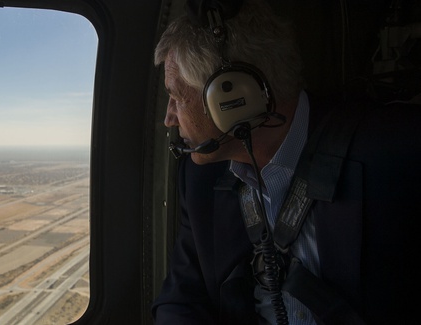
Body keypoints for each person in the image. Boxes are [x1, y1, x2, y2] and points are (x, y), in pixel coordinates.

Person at [151, 0, 420, 324]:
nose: (169, 119)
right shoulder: (198, 181)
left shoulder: (397, 154)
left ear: (234, 98)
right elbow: (181, 299)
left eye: (178, 97)